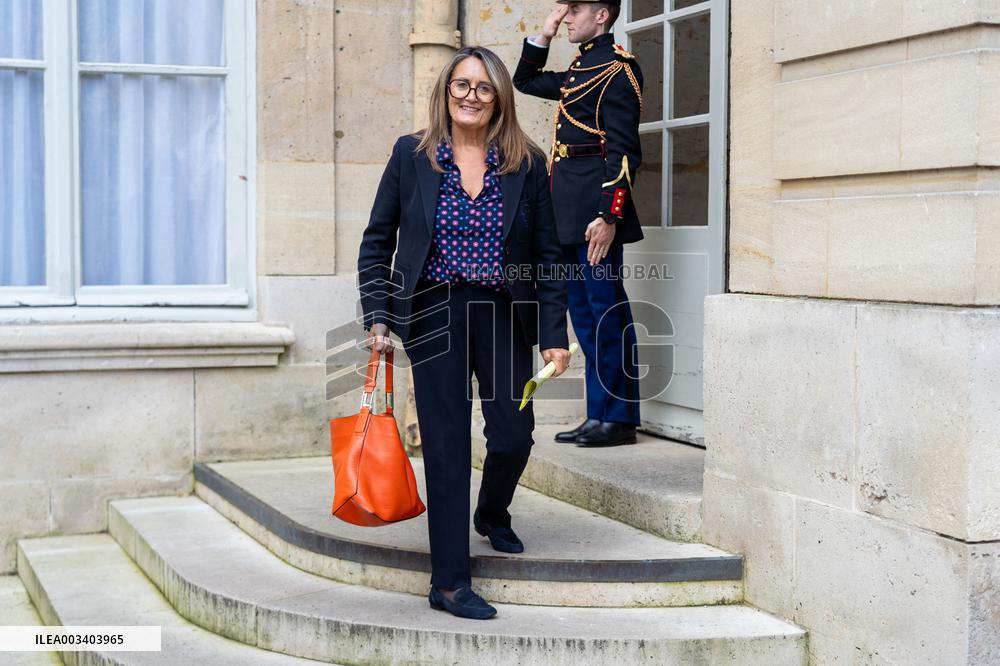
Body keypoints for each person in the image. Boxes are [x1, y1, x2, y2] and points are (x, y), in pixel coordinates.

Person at [356, 46, 571, 620]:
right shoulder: (412, 155)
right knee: (447, 448)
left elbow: (548, 255)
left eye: (483, 87)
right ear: (446, 93)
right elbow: (378, 242)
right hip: (432, 312)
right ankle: (449, 581)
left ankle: (492, 513)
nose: (471, 96)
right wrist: (378, 314)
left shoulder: (525, 162)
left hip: (502, 313)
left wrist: (554, 332)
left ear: (499, 96)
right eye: (461, 85)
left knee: (512, 435)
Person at [514, 1, 644, 447]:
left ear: (603, 15)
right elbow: (524, 80)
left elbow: (625, 151)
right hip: (564, 208)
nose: (567, 17)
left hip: (594, 213)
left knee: (607, 314)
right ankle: (599, 413)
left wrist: (610, 215)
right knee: (584, 318)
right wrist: (545, 33)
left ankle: (620, 418)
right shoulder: (579, 68)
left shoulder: (617, 70)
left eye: (575, 10)